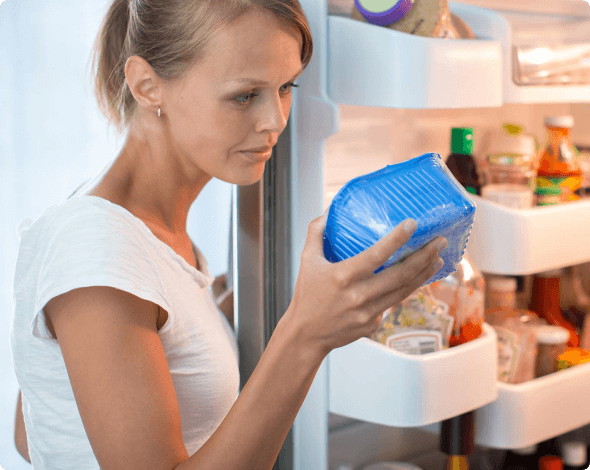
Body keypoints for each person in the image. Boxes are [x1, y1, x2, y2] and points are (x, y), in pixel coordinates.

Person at [10, 0, 448, 468]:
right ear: (147, 85)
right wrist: (307, 334)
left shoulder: (148, 236)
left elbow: (36, 423)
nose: (275, 120)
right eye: (244, 96)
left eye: (286, 87)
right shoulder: (94, 247)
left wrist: (210, 318)